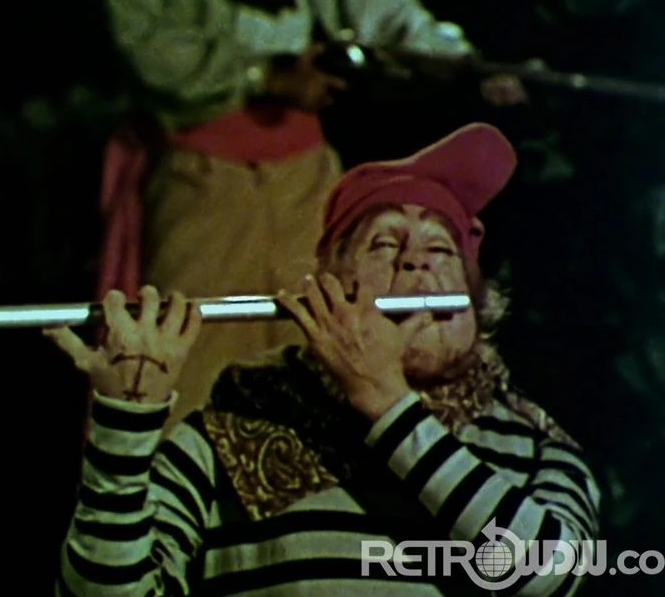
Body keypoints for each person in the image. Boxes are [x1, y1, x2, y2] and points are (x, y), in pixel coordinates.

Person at [48, 122, 600, 596]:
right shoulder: (222, 439)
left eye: (440, 249)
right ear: (328, 290)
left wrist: (385, 401)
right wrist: (123, 427)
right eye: (384, 245)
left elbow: (552, 576)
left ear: (475, 305)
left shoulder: (534, 444)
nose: (415, 263)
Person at [99, 0, 528, 430]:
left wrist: (466, 62)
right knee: (188, 349)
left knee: (316, 350)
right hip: (202, 177)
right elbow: (153, 51)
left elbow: (378, 9)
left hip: (304, 179)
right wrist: (264, 76)